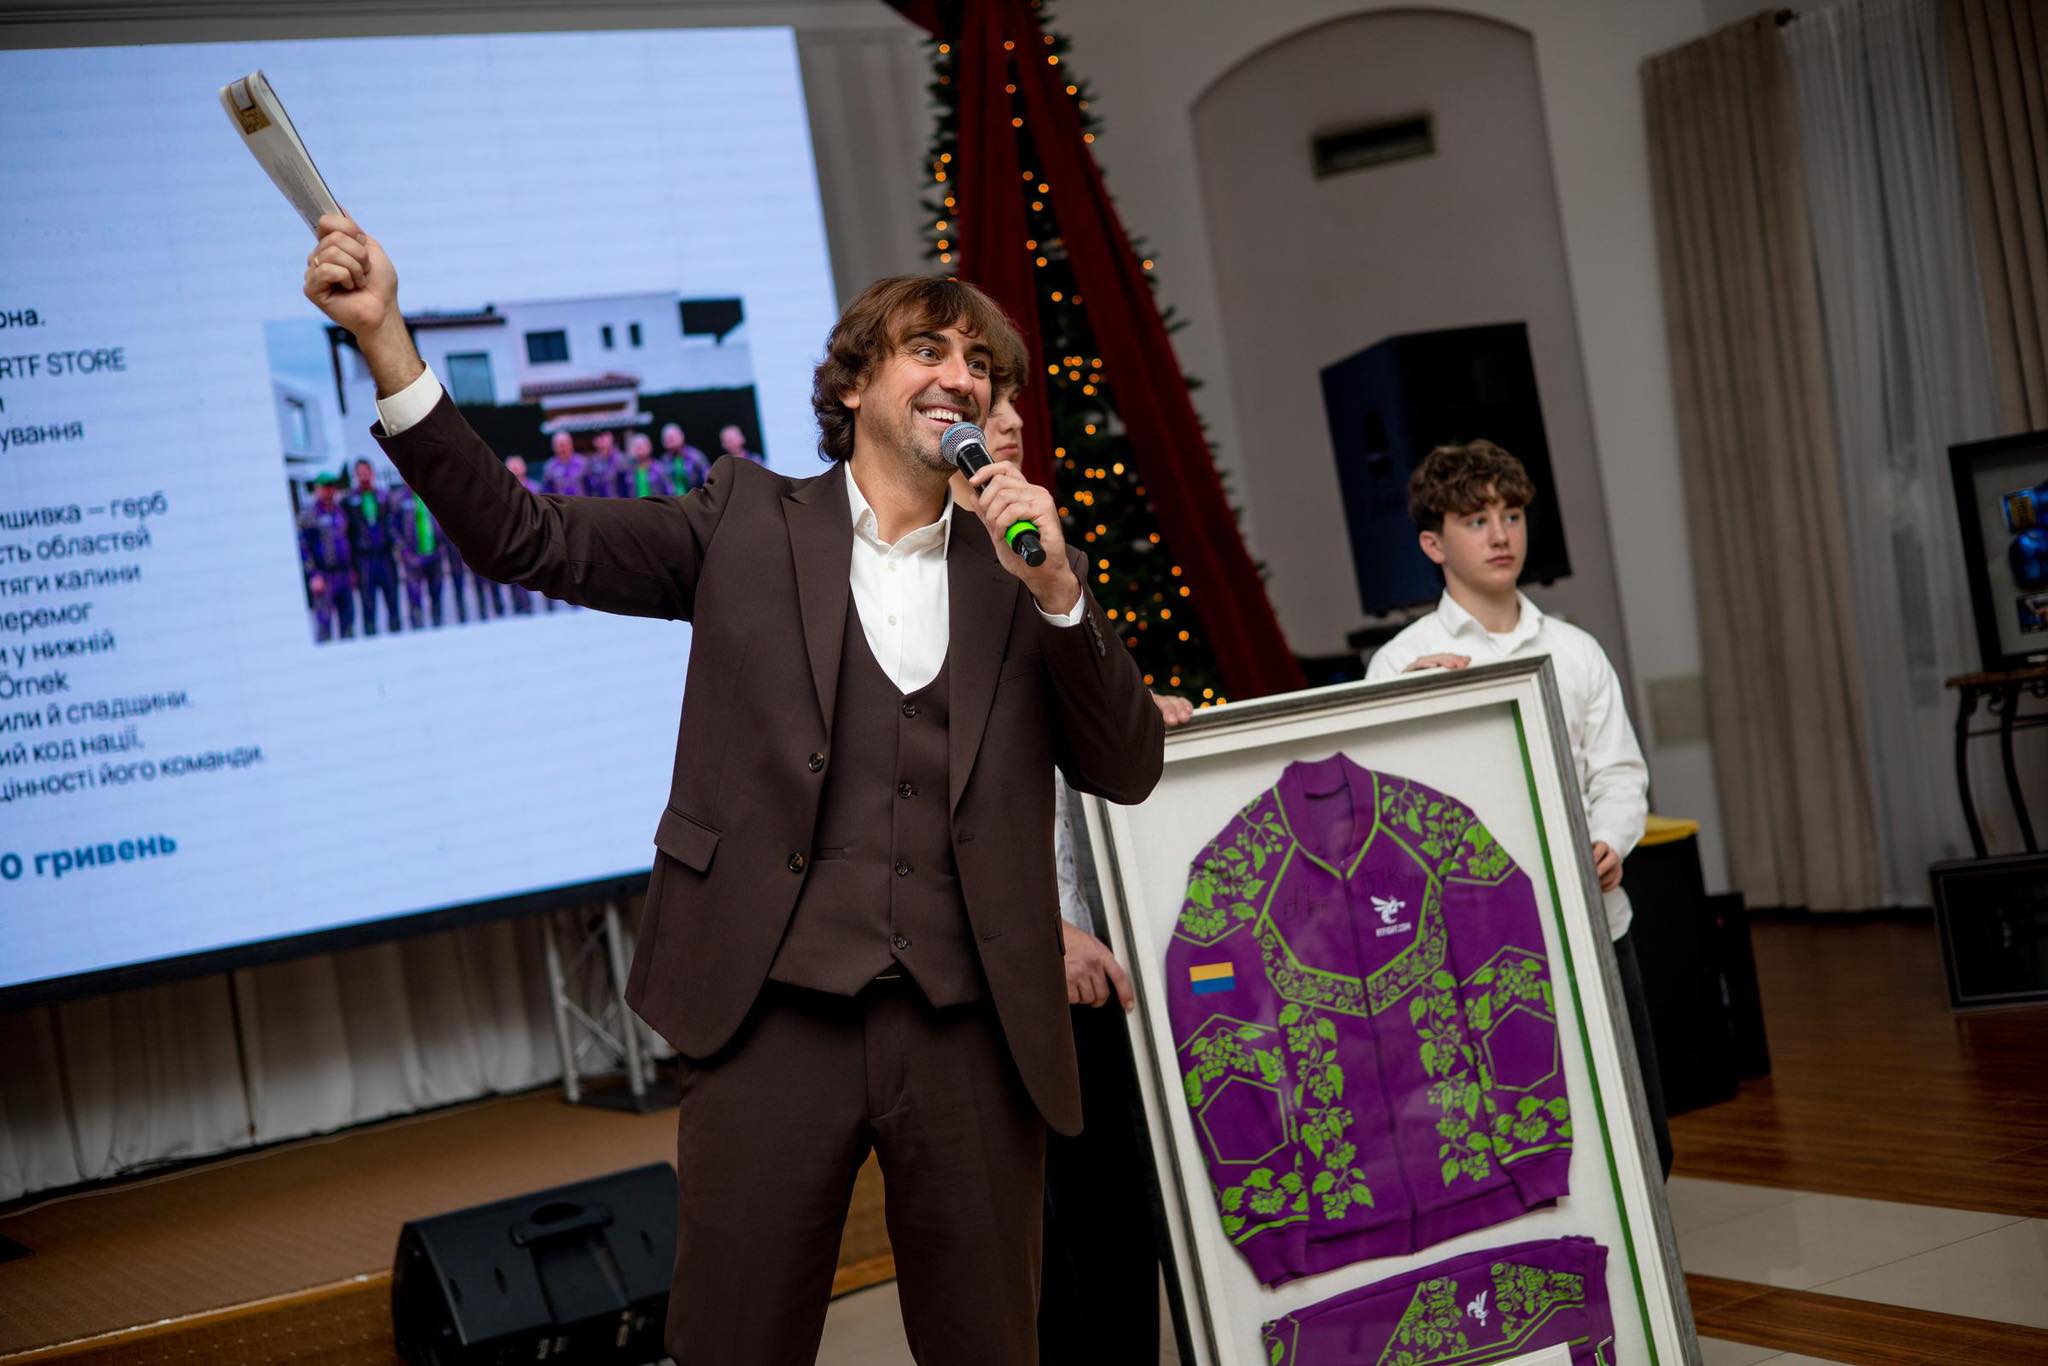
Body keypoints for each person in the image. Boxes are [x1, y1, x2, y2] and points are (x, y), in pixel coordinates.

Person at [301, 213, 1163, 1366]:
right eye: (928, 350)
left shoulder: (1023, 567)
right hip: (769, 1013)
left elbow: (1125, 766)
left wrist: (1056, 592)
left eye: (980, 364)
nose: (961, 377)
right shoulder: (744, 520)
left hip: (970, 1027)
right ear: (853, 382)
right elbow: (521, 536)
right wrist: (386, 340)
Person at [1363, 439, 1669, 1177]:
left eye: (1511, 515)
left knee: (1640, 1133)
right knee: (1517, 1133)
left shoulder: (1576, 649)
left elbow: (1620, 773)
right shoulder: (1400, 663)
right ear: (1434, 544)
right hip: (1472, 947)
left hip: (1595, 922)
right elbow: (1378, 816)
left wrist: (1610, 840)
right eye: (1475, 520)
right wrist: (1409, 706)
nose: (1500, 535)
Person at [965, 393, 1196, 1363]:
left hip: (1099, 955)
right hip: (1002, 972)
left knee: (1117, 1224)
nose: (1011, 419)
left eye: (1012, 398)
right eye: (986, 401)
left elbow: (1077, 736)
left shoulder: (1043, 556)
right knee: (1044, 1249)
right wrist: (1042, 927)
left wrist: (1136, 708)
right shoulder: (922, 588)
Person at [344, 458, 401, 635]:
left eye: (366, 471)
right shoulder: (349, 500)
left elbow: (393, 525)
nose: (363, 475)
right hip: (364, 560)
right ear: (355, 475)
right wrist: (352, 565)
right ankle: (371, 636)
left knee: (393, 600)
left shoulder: (384, 496)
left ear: (372, 472)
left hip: (385, 557)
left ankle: (397, 632)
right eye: (360, 472)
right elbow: (347, 533)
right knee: (368, 605)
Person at [298, 473, 355, 641]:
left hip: (343, 574)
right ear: (317, 489)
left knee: (348, 623)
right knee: (324, 625)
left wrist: (352, 569)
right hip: (324, 576)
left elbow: (348, 540)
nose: (329, 490)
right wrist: (313, 575)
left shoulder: (341, 511)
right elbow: (304, 548)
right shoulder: (310, 515)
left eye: (331, 486)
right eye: (325, 487)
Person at [501, 456, 542, 614]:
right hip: (514, 539)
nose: (515, 470)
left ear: (524, 468)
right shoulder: (502, 493)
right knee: (516, 575)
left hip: (535, 537)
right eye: (512, 467)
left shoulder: (536, 488)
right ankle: (522, 607)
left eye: (517, 466)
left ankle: (549, 605)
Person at [661, 421, 711, 493]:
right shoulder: (663, 462)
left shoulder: (695, 456)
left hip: (695, 496)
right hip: (673, 498)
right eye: (667, 438)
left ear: (682, 436)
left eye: (673, 437)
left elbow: (708, 478)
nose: (671, 440)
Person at [626, 431, 673, 499]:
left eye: (643, 445)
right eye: (637, 446)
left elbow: (669, 490)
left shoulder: (659, 468)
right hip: (635, 504)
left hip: (656, 504)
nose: (640, 448)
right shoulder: (628, 471)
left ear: (650, 447)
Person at [585, 427, 630, 497]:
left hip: (618, 500)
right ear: (594, 441)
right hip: (599, 501)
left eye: (604, 436)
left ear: (611, 438)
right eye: (599, 437)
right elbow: (590, 486)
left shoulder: (621, 459)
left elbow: (627, 486)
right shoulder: (592, 462)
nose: (602, 440)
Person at [541, 429, 586, 498]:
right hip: (559, 503)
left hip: (581, 502)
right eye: (558, 446)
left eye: (564, 445)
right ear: (553, 447)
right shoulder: (549, 466)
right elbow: (547, 491)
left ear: (571, 444)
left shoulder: (582, 462)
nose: (562, 449)